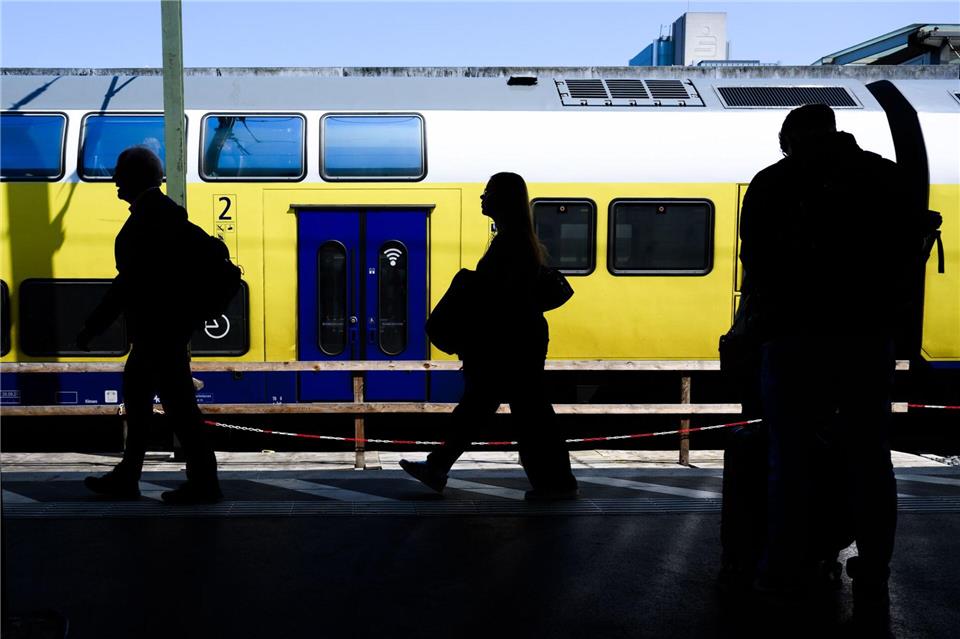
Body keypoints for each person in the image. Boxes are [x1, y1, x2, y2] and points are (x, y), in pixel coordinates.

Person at [738, 104, 914, 621]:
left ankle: (784, 567)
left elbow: (757, 265)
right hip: (866, 339)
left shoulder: (772, 183)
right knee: (870, 458)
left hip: (793, 339)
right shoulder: (884, 177)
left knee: (790, 460)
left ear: (790, 140)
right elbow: (908, 256)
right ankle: (874, 570)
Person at [400, 172, 579, 500]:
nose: (482, 197)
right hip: (517, 341)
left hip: (508, 344)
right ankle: (439, 467)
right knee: (502, 410)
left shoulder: (509, 244)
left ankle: (557, 484)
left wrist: (468, 291)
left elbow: (500, 300)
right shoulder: (517, 240)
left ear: (503, 199)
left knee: (521, 414)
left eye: (488, 192)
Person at [78, 146, 221, 504]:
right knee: (149, 404)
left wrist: (93, 327)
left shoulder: (149, 220)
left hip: (159, 333)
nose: (114, 179)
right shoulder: (162, 214)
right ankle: (133, 476)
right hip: (163, 332)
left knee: (176, 408)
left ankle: (202, 483)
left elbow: (127, 284)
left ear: (135, 178)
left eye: (120, 173)